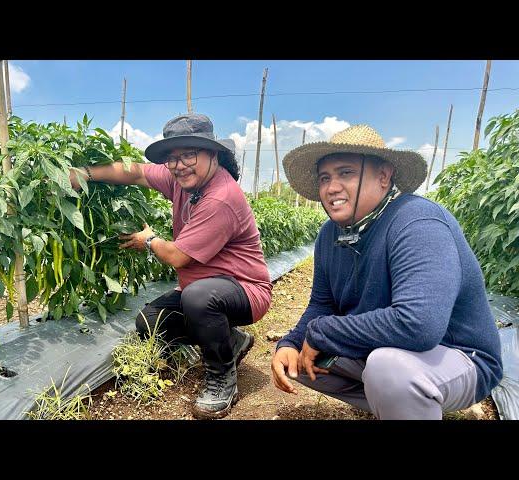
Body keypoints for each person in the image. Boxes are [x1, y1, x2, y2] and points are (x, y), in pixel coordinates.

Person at [271, 124, 503, 419]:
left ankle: (410, 394)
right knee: (300, 361)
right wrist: (290, 343)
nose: (331, 188)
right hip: (393, 349)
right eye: (324, 178)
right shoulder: (330, 235)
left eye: (346, 173)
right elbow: (321, 304)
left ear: (384, 176)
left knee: (387, 368)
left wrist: (322, 332)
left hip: (460, 357)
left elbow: (419, 326)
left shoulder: (417, 222)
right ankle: (399, 404)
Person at [71, 113, 272, 419]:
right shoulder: (182, 180)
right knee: (150, 322)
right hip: (205, 288)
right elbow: (135, 172)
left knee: (198, 299)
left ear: (212, 153)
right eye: (172, 158)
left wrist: (149, 239)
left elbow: (178, 256)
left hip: (245, 290)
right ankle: (232, 340)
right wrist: (85, 173)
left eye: (189, 154)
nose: (179, 165)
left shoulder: (221, 197)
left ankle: (221, 378)